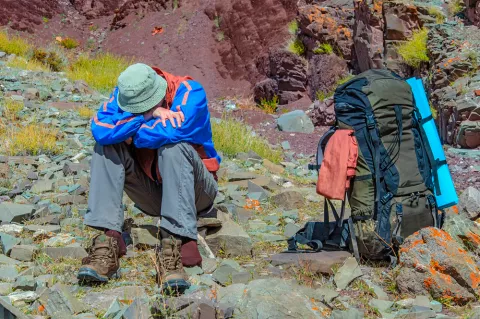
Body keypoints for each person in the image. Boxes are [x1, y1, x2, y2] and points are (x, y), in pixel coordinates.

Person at [77, 63, 220, 294]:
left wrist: (129, 133)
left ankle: (177, 240)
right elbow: (100, 129)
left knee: (173, 147)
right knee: (105, 147)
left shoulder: (191, 92)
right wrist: (147, 115)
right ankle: (109, 240)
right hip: (154, 195)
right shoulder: (125, 93)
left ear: (161, 90)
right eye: (136, 107)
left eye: (146, 104)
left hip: (197, 193)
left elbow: (175, 131)